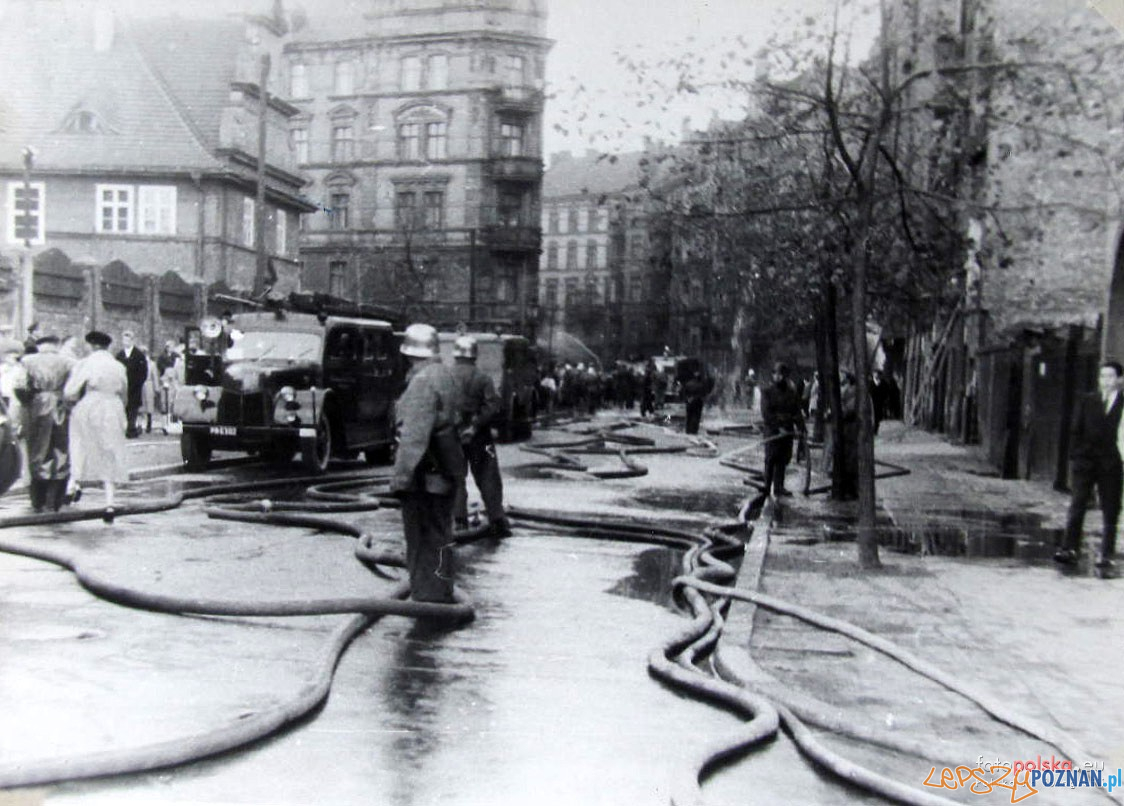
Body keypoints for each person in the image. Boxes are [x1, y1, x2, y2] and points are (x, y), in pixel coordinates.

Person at [389, 324, 467, 603]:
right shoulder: (444, 374)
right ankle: (441, 594)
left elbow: (414, 437)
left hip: (424, 477)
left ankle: (426, 602)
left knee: (422, 543)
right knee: (440, 537)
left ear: (410, 354)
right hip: (444, 472)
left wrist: (400, 479)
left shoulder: (422, 382)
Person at [1056, 360, 1124, 569]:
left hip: (1111, 463)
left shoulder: (1123, 403)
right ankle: (1069, 548)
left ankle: (1106, 554)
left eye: (1111, 376)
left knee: (1110, 508)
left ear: (1120, 380)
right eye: (1103, 376)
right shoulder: (1088, 400)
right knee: (1078, 504)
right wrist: (1076, 455)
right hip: (1085, 461)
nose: (1106, 381)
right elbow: (1076, 428)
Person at [450, 335, 511, 537]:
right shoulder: (483, 378)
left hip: (453, 436)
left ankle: (459, 521)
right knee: (488, 476)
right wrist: (475, 425)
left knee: (456, 478)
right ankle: (497, 519)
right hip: (480, 437)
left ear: (456, 354)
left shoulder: (446, 376)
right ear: (474, 355)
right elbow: (494, 405)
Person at [65, 330, 130, 518]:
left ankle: (72, 485)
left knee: (80, 444)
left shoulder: (86, 363)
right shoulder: (118, 366)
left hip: (91, 405)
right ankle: (109, 503)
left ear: (91, 345)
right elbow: (124, 394)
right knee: (109, 450)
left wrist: (72, 401)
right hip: (113, 407)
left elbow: (70, 391)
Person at [16, 334, 74, 511]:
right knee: (60, 450)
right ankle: (54, 500)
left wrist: (28, 403)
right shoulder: (69, 362)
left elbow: (20, 386)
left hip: (37, 406)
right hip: (60, 405)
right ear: (56, 345)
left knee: (36, 451)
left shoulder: (27, 361)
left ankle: (37, 499)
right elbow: (74, 389)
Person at [760, 361, 803, 498]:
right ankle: (767, 486)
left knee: (783, 459)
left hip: (788, 429)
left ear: (785, 376)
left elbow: (797, 412)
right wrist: (777, 428)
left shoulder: (791, 392)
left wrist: (802, 428)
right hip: (773, 430)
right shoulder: (767, 391)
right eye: (775, 374)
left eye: (780, 374)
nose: (778, 377)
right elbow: (766, 413)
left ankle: (779, 486)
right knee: (771, 458)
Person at [116, 329, 148, 438]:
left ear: (132, 341)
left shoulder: (139, 355)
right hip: (122, 388)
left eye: (128, 340)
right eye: (124, 340)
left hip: (134, 388)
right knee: (122, 408)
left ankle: (131, 429)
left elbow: (144, 372)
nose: (126, 342)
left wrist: (137, 384)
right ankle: (123, 429)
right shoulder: (119, 355)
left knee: (133, 409)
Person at [683, 367, 711, 435]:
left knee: (689, 416)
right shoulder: (701, 385)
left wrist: (687, 399)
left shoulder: (688, 383)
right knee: (696, 416)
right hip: (698, 402)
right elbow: (703, 394)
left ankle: (688, 430)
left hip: (689, 402)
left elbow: (684, 393)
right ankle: (694, 430)